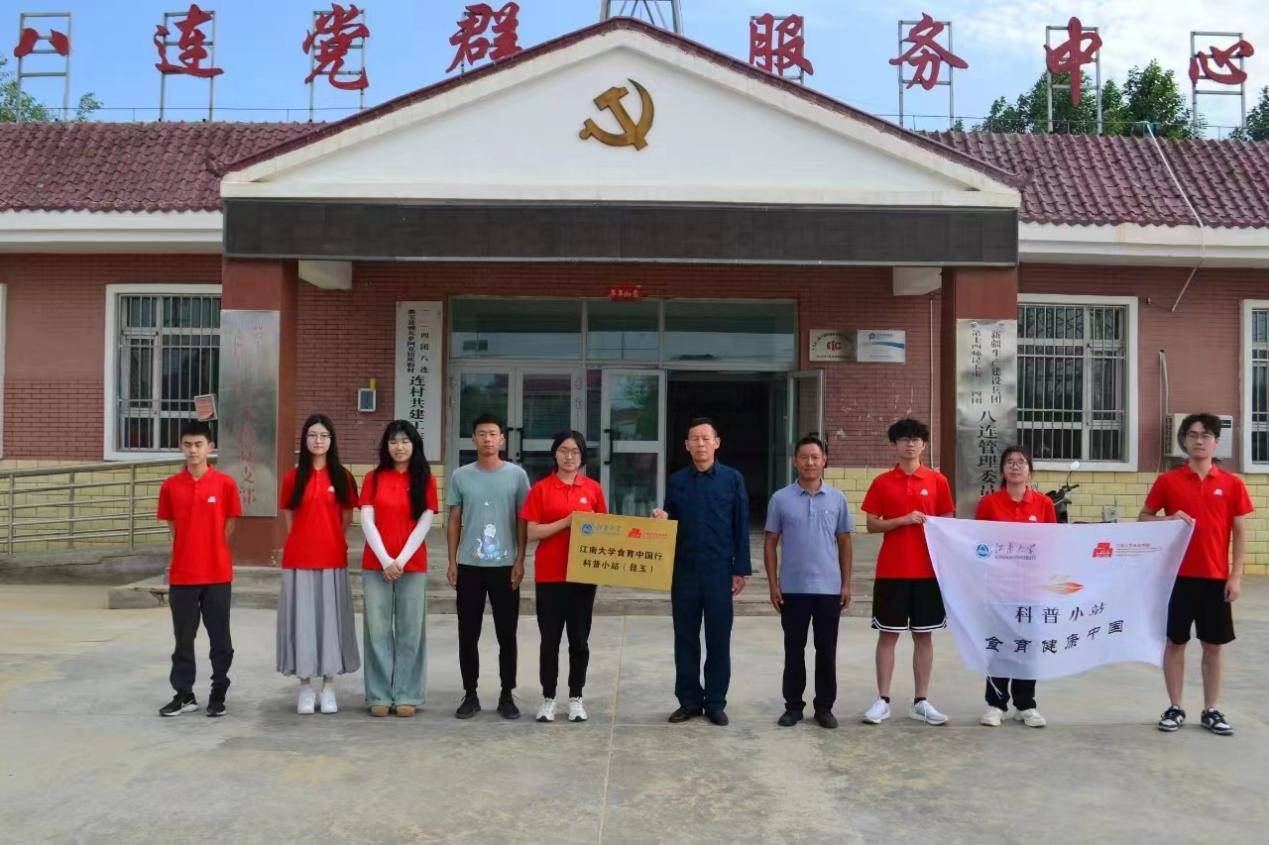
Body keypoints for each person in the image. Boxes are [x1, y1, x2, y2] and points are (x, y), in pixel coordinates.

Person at [1140, 413, 1252, 736]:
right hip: (1176, 578)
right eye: (1192, 435)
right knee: (1175, 642)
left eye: (1205, 435)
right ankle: (1175, 706)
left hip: (1215, 578)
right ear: (1184, 441)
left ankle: (1211, 709)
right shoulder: (1168, 481)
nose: (1198, 441)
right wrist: (1168, 519)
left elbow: (1240, 533)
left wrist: (1235, 576)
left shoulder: (1232, 483)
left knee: (1213, 646)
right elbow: (1144, 518)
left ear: (1216, 441)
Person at [653, 417, 751, 727]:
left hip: (719, 570)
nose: (700, 443)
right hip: (684, 570)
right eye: (694, 439)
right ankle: (689, 702)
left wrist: (740, 569)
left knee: (718, 637)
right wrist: (661, 520)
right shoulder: (678, 481)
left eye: (706, 438)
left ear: (716, 443)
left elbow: (741, 525)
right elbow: (670, 522)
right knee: (685, 638)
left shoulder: (732, 479)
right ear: (686, 445)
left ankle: (716, 702)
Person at [860, 417, 955, 726]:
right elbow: (871, 524)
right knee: (888, 636)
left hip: (928, 572)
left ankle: (921, 701)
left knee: (924, 637)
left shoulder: (937, 481)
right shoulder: (882, 482)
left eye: (915, 439)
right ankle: (883, 700)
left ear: (924, 444)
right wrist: (901, 520)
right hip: (892, 570)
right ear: (895, 444)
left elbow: (948, 523)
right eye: (904, 439)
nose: (910, 444)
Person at [764, 435, 854, 729]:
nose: (810, 462)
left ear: (824, 460)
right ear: (795, 461)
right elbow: (770, 542)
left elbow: (845, 541)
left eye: (815, 457)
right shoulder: (780, 499)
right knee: (794, 651)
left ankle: (824, 708)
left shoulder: (837, 499)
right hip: (792, 589)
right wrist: (773, 585)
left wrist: (846, 583)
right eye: (804, 457)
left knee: (826, 651)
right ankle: (793, 707)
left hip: (829, 589)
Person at [446, 412, 531, 720]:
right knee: (467, 633)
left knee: (506, 633)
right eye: (481, 434)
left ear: (502, 439)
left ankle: (507, 693)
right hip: (469, 565)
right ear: (473, 439)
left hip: (505, 565)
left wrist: (520, 559)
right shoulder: (461, 476)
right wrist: (452, 561)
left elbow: (523, 519)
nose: (487, 439)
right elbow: (454, 519)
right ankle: (470, 693)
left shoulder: (517, 476)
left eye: (493, 434)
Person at [276, 414, 361, 715]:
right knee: (302, 622)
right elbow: (289, 515)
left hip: (332, 558)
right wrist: (301, 540)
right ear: (305, 439)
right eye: (313, 435)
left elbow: (347, 517)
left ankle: (328, 686)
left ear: (331, 440)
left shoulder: (342, 477)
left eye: (324, 435)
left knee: (330, 623)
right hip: (299, 559)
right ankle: (305, 686)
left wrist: (330, 538)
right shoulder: (293, 477)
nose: (318, 440)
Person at [156, 420, 242, 718]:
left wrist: (212, 548)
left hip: (217, 573)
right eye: (188, 445)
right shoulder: (170, 486)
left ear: (210, 447)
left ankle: (218, 691)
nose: (193, 450)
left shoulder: (225, 484)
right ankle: (184, 693)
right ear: (181, 447)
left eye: (199, 444)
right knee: (183, 639)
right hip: (183, 574)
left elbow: (230, 523)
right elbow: (173, 526)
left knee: (220, 638)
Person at [520, 430, 606, 724]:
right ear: (554, 453)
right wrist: (568, 521)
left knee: (579, 640)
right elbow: (532, 531)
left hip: (583, 576)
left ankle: (576, 697)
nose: (569, 457)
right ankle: (548, 698)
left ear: (582, 457)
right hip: (550, 576)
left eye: (575, 452)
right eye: (564, 450)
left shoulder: (593, 489)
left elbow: (605, 529)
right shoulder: (541, 489)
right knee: (550, 640)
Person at [359, 420, 438, 717]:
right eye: (393, 441)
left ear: (414, 445)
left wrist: (400, 561)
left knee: (410, 630)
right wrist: (385, 560)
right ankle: (379, 694)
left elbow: (425, 522)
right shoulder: (373, 478)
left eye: (405, 441)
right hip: (375, 564)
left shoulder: (425, 479)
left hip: (412, 565)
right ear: (386, 446)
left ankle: (407, 693)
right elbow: (367, 521)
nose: (399, 447)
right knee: (376, 629)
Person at [974, 445, 1056, 729]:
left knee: (1027, 646)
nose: (1016, 466)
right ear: (1002, 470)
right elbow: (980, 544)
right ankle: (996, 704)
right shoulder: (989, 504)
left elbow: (1052, 543)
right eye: (1010, 462)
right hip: (1000, 589)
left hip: (1032, 588)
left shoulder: (1044, 504)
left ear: (1030, 470)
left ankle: (1026, 704)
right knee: (999, 645)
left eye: (1021, 462)